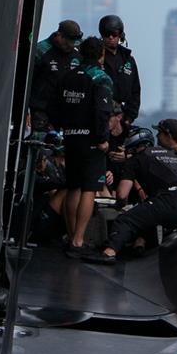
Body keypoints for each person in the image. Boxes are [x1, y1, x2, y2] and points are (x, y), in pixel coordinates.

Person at [82, 127, 177, 265]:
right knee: (148, 214)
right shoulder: (171, 155)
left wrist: (120, 205)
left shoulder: (136, 159)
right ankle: (141, 246)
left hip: (168, 200)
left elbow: (122, 194)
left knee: (126, 220)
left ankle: (109, 253)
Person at [47, 36, 113, 258]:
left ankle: (70, 235)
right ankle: (78, 240)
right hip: (91, 141)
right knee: (89, 189)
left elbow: (53, 107)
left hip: (70, 139)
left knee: (73, 186)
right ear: (101, 55)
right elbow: (101, 112)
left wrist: (63, 129)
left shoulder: (68, 76)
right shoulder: (101, 79)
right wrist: (103, 138)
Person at [29, 20, 83, 132]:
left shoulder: (78, 53)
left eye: (74, 43)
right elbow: (26, 82)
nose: (71, 46)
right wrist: (26, 111)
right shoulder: (40, 50)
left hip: (67, 112)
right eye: (68, 43)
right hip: (41, 111)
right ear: (59, 35)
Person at [99, 15, 141, 130]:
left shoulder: (128, 59)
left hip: (123, 117)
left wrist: (128, 119)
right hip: (101, 114)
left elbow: (135, 90)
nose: (111, 37)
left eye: (114, 34)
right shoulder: (95, 57)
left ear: (120, 35)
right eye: (107, 34)